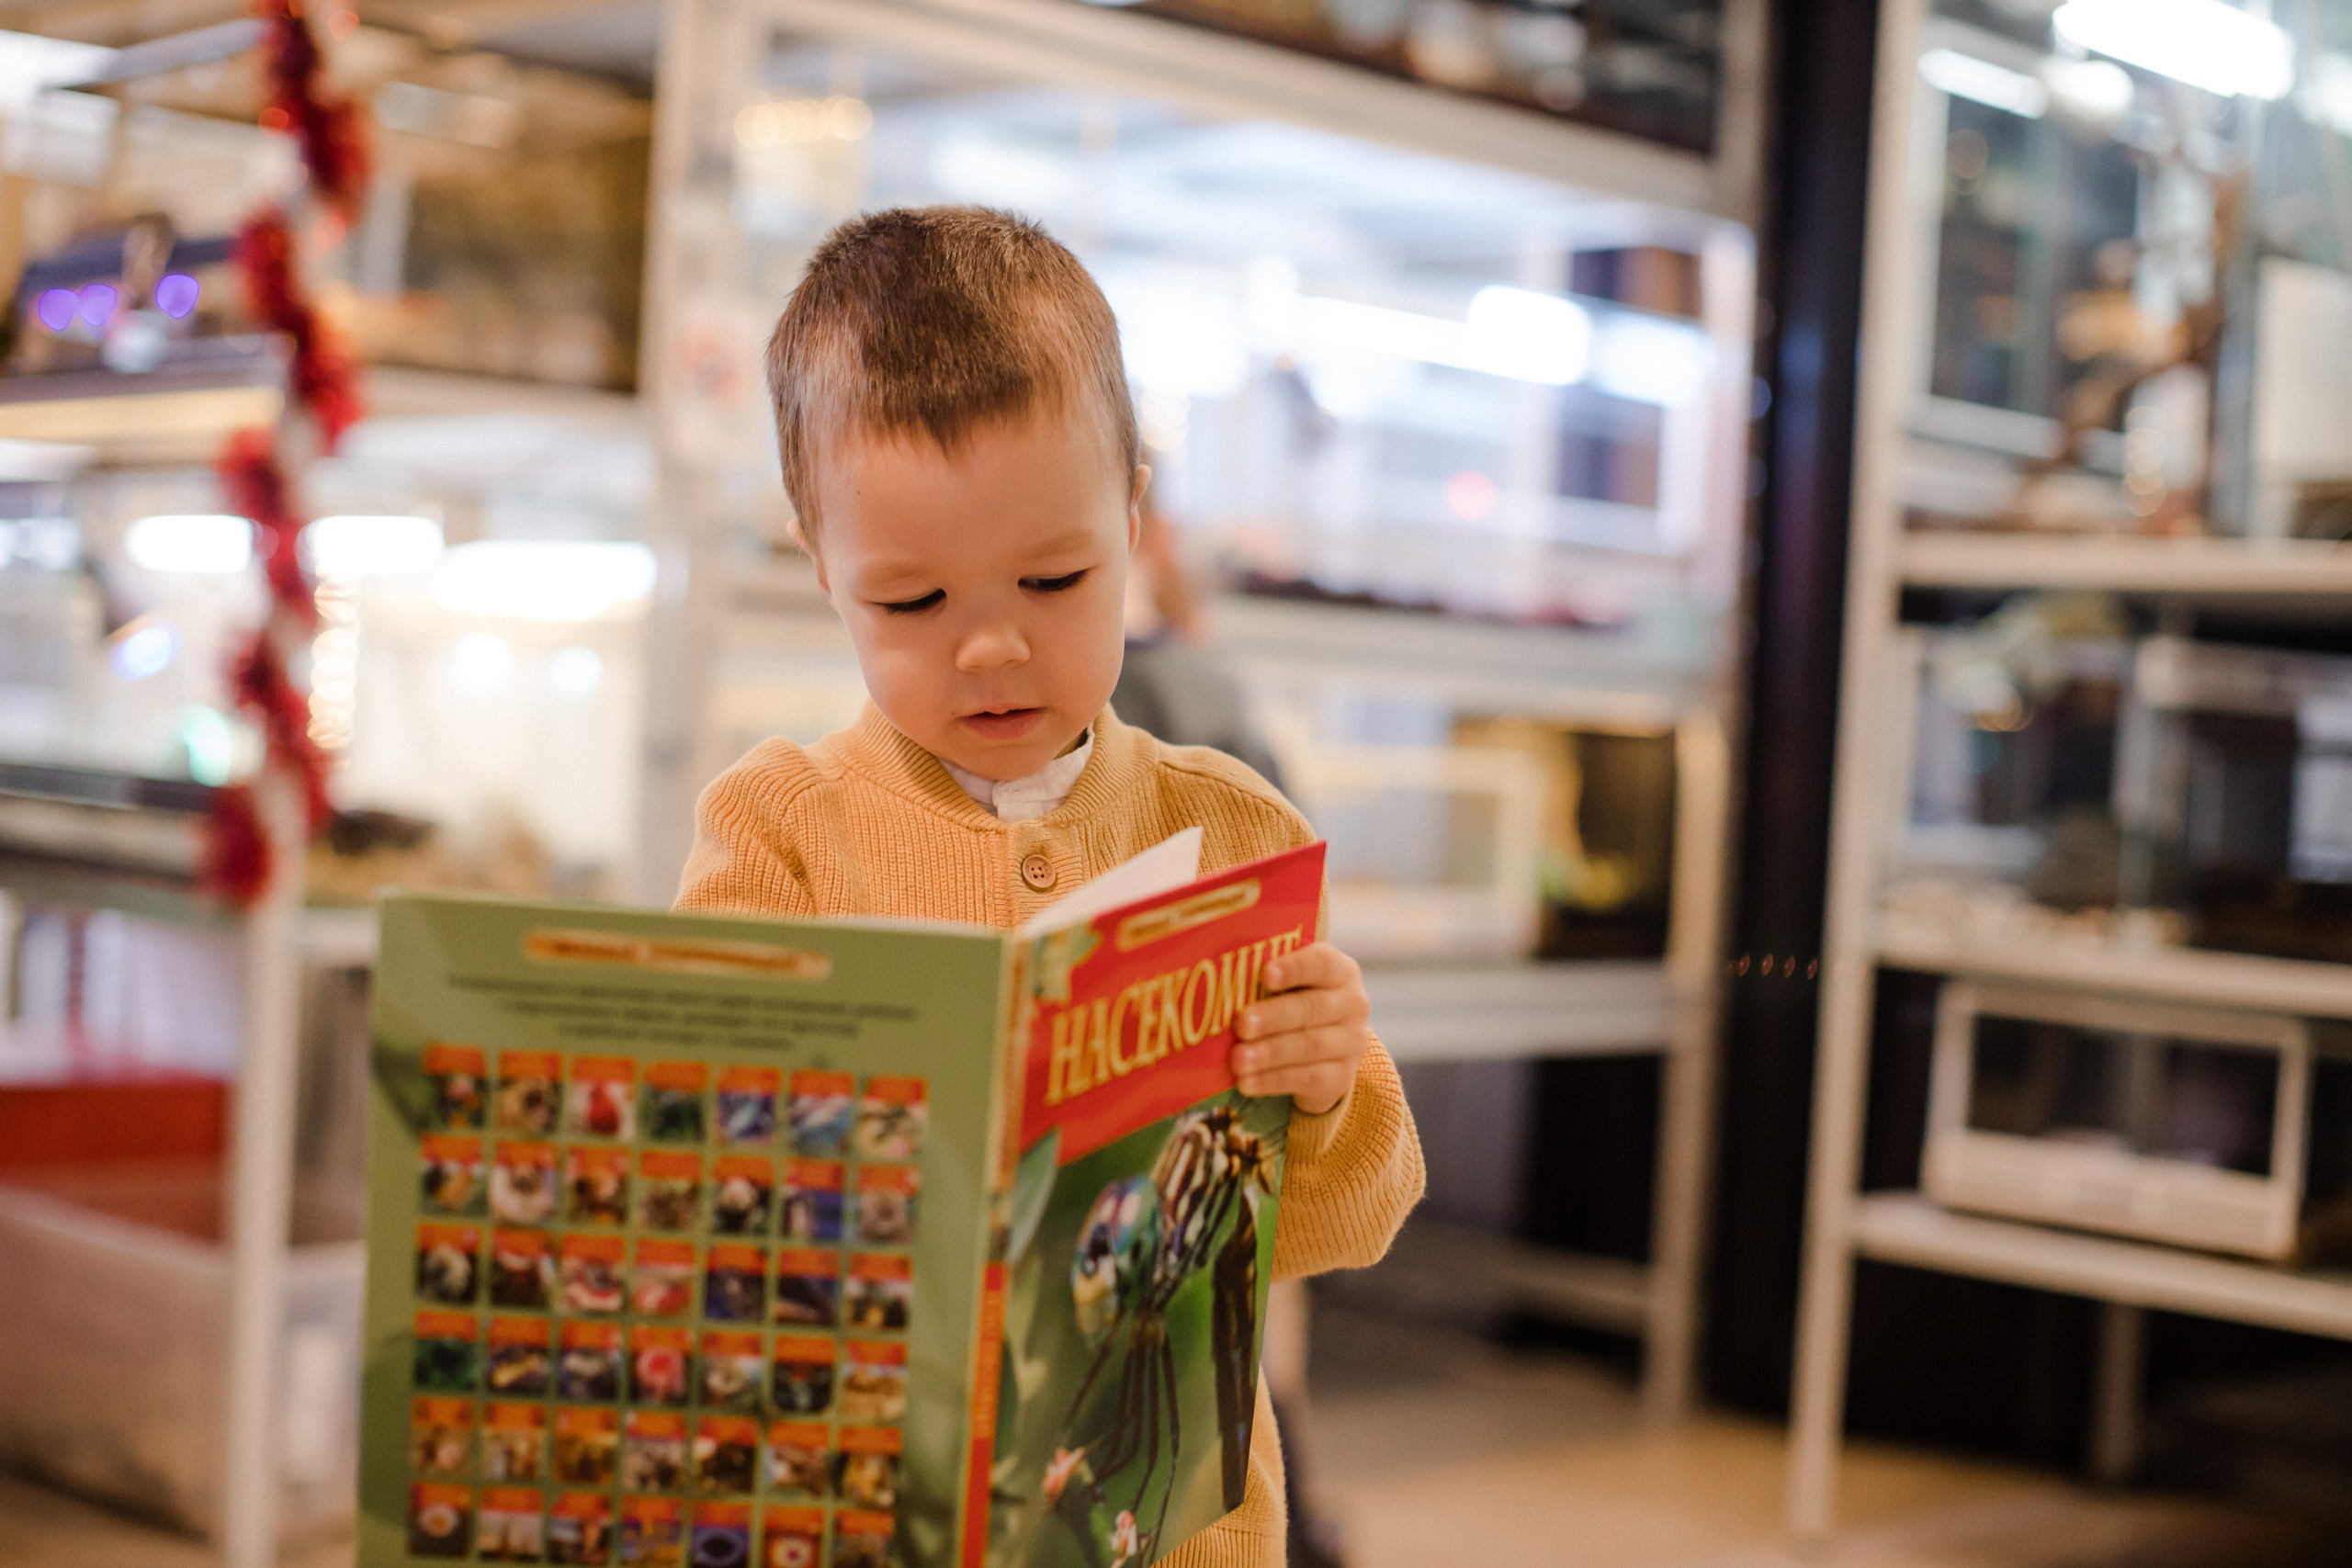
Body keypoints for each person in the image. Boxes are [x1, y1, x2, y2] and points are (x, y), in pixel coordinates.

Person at [675, 205, 1424, 1567]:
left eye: (1057, 575)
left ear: (1133, 507)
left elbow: (1338, 1225)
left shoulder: (1230, 827)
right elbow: (706, 1195)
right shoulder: (777, 829)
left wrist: (1329, 1079)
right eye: (910, 603)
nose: (991, 649)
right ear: (815, 555)